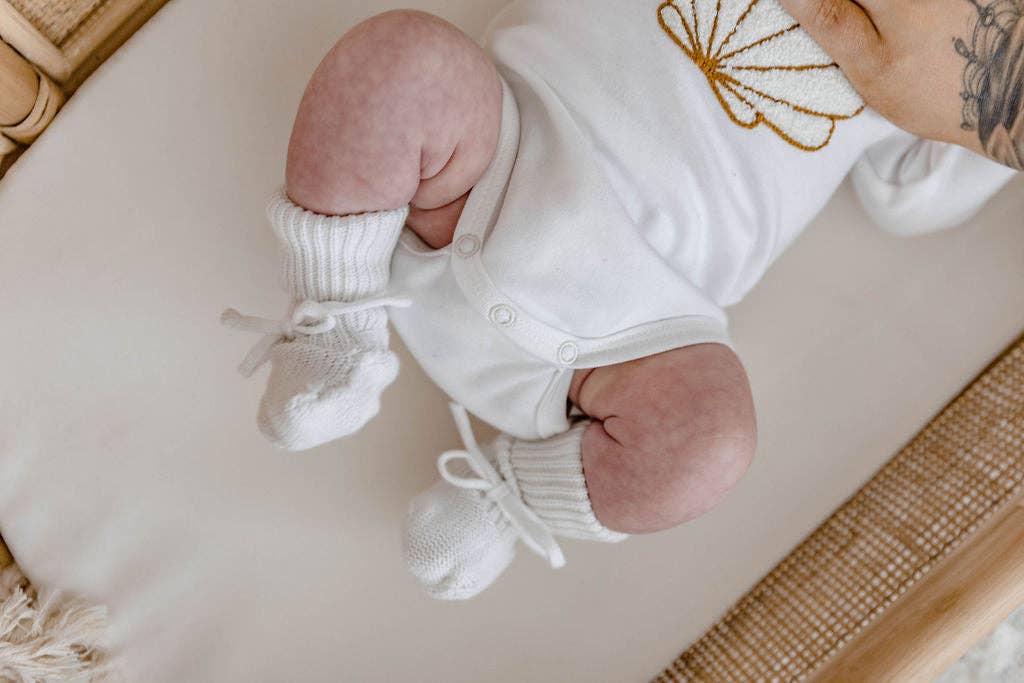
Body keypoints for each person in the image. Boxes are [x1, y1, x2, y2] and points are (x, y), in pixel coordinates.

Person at [223, 1, 1020, 600]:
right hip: (489, 157)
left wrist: (991, 88)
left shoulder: (970, 57)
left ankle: (509, 494)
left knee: (710, 442)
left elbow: (914, 195)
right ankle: (334, 320)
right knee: (400, 63)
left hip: (633, 333)